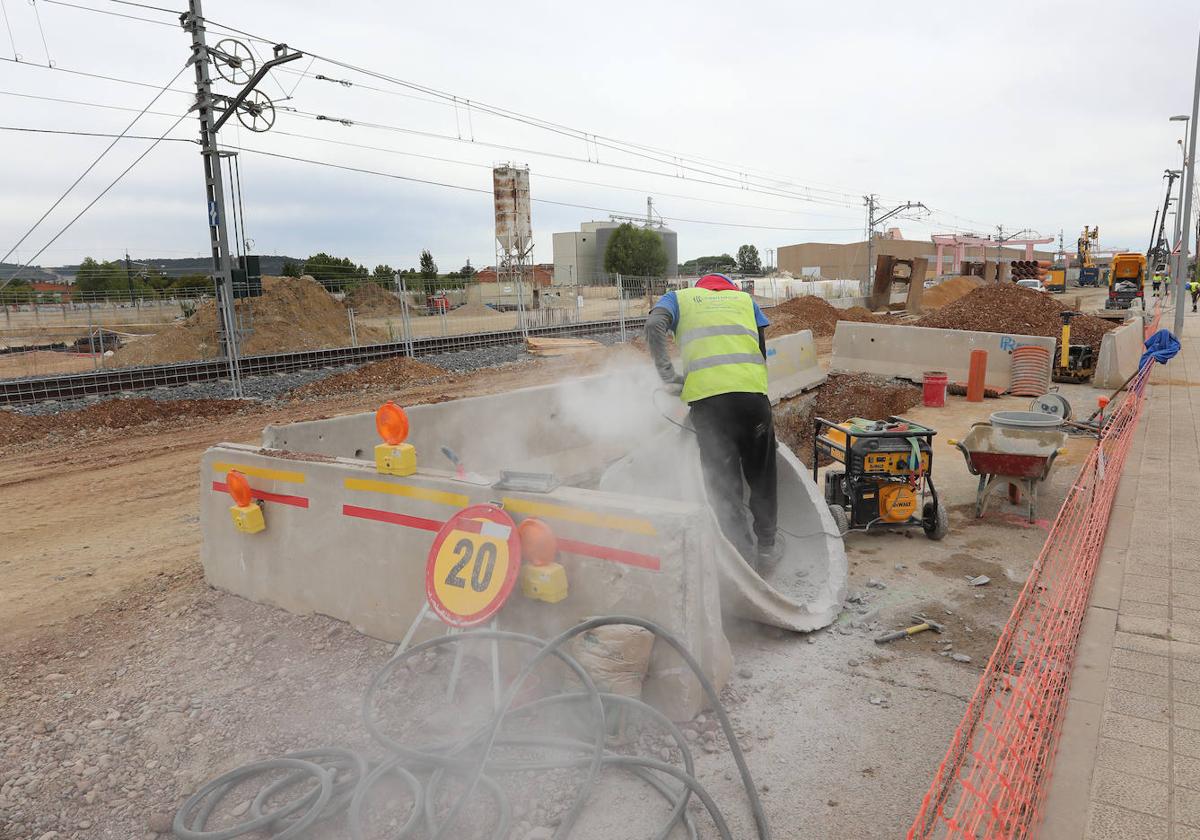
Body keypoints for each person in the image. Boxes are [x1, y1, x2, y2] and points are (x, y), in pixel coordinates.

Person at [644, 273, 782, 570]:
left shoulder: (679, 298)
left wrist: (668, 376)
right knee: (762, 477)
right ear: (728, 289)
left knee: (725, 485)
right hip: (753, 403)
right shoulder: (746, 300)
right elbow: (760, 351)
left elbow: (654, 324)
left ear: (700, 288)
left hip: (710, 407)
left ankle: (741, 561)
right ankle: (768, 549)